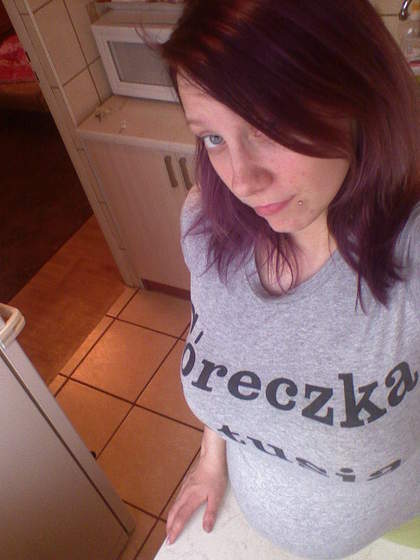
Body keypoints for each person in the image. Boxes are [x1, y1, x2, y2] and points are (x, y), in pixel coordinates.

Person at [160, 1, 420, 558]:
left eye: (269, 127)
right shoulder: (206, 223)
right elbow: (227, 352)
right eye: (212, 138)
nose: (241, 181)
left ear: (359, 95)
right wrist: (210, 462)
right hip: (248, 526)